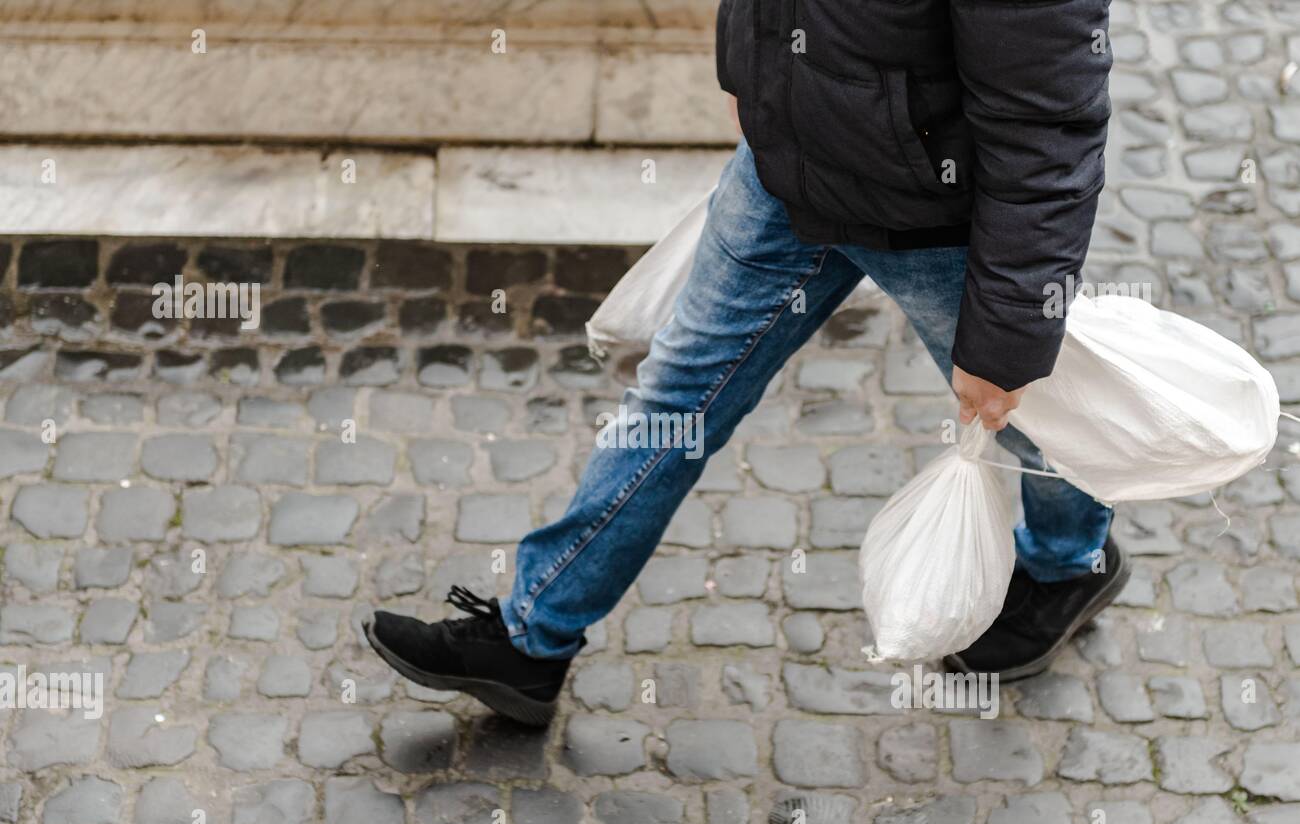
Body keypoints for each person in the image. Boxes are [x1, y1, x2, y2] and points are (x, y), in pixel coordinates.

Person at [362, 0, 1128, 726]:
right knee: (676, 395)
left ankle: (1069, 561)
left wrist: (1007, 341)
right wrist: (753, 75)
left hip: (932, 218)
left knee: (1024, 417)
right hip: (785, 173)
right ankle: (531, 637)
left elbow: (1049, 124)